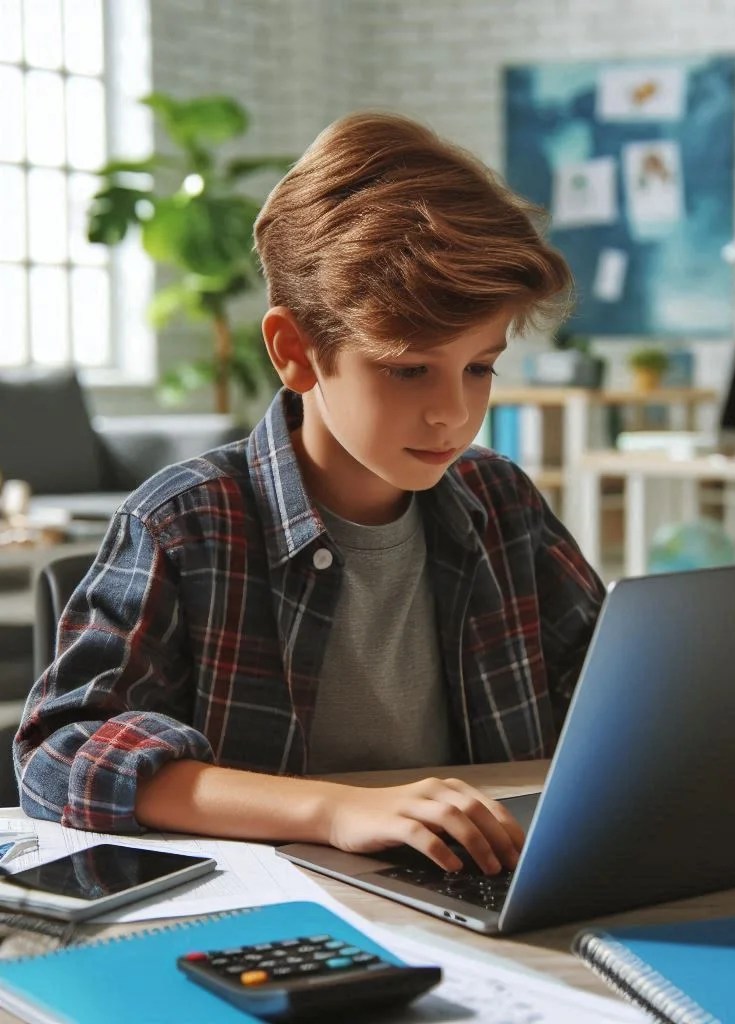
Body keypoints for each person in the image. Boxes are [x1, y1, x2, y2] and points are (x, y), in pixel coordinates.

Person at [15, 113, 605, 877]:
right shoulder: (186, 523)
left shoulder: (501, 502)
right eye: (408, 368)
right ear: (295, 351)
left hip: (480, 884)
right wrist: (330, 809)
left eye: (480, 367)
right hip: (283, 908)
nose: (453, 412)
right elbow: (57, 753)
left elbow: (611, 694)